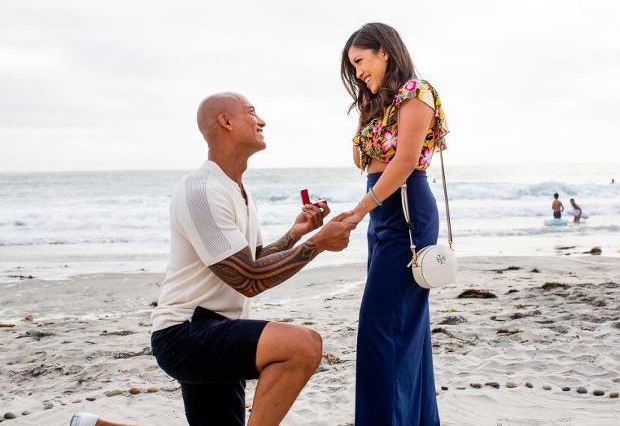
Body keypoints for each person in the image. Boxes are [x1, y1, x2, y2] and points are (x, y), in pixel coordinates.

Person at [71, 93, 355, 426]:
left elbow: (253, 260)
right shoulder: (202, 190)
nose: (261, 121)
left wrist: (296, 234)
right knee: (302, 346)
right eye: (252, 112)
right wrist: (318, 243)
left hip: (220, 328)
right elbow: (248, 279)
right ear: (226, 121)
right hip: (186, 333)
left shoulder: (237, 190)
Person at [340, 23, 448, 425]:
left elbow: (403, 162)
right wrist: (366, 104)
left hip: (405, 211)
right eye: (352, 67)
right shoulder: (379, 102)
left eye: (360, 61)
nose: (357, 72)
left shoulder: (416, 92)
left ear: (384, 51)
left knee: (380, 329)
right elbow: (360, 159)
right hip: (384, 213)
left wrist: (359, 210)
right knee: (405, 328)